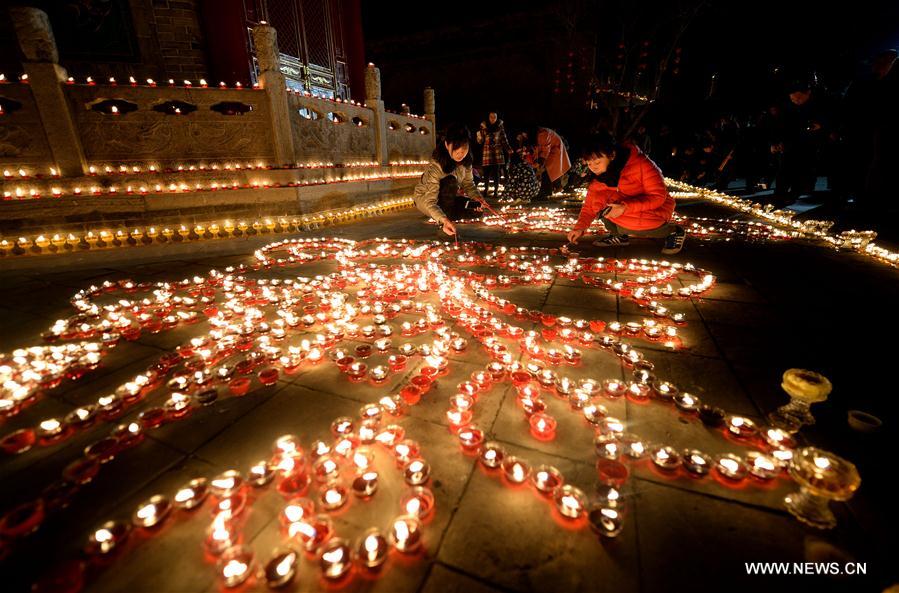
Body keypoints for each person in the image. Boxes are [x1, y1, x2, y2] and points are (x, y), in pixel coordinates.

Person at [566, 133, 686, 255]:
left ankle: (673, 231)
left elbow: (658, 198)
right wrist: (579, 228)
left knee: (635, 224)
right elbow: (589, 206)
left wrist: (625, 207)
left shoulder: (640, 164)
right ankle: (619, 235)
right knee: (599, 201)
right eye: (589, 164)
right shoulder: (599, 177)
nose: (593, 168)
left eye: (597, 162)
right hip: (625, 209)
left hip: (653, 210)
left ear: (612, 155)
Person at [413, 123, 487, 237]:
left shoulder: (466, 161)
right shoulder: (436, 166)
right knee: (450, 181)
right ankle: (443, 225)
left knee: (476, 208)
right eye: (457, 148)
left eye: (464, 148)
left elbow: (468, 184)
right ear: (447, 144)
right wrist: (443, 220)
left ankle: (446, 215)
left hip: (447, 199)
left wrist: (479, 199)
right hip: (426, 199)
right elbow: (430, 201)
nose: (461, 153)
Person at [520, 126, 571, 199]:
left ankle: (545, 192)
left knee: (548, 171)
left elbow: (545, 149)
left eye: (524, 134)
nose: (524, 136)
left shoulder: (543, 134)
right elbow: (537, 149)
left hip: (555, 150)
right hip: (549, 152)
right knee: (549, 171)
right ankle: (550, 190)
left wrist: (540, 161)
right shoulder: (536, 136)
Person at [476, 112, 513, 198]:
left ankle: (496, 191)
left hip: (497, 151)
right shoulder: (484, 126)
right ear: (488, 117)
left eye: (494, 117)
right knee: (486, 172)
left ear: (497, 118)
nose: (492, 118)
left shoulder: (500, 126)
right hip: (487, 151)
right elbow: (480, 140)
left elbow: (504, 138)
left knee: (496, 172)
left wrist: (508, 148)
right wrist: (479, 137)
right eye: (491, 117)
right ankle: (485, 190)